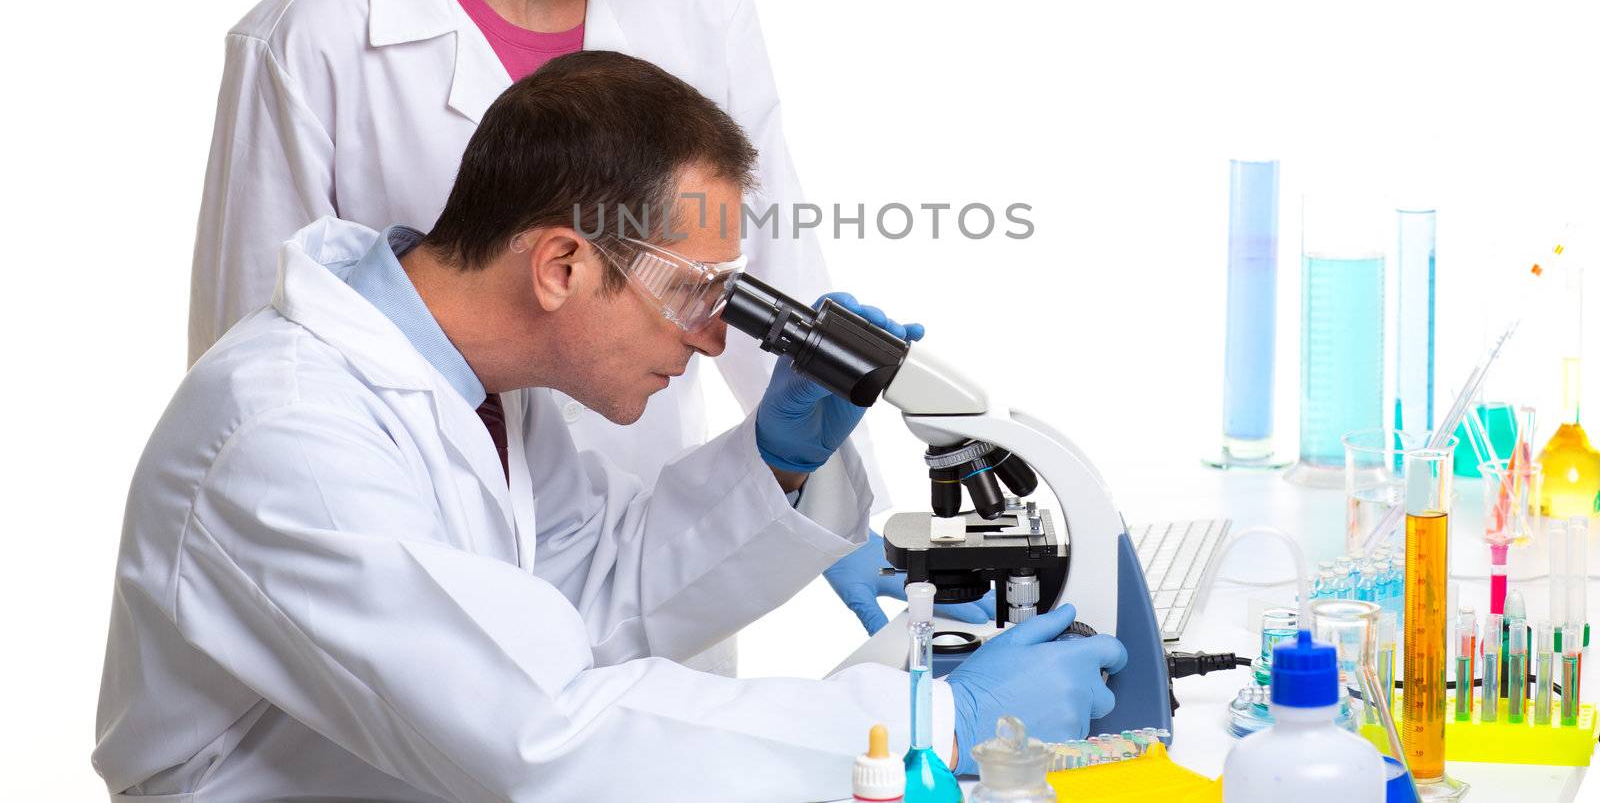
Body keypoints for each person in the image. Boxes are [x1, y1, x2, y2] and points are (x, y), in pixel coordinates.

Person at [184, 0, 962, 646]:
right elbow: (253, 359)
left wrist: (817, 498)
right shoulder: (317, 37)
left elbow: (760, 249)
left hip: (648, 535)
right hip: (412, 549)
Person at [96, 53, 1126, 802]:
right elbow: (543, 733)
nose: (715, 339)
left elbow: (590, 605)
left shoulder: (482, 389)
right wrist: (937, 725)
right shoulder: (288, 437)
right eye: (694, 293)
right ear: (561, 266)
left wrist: (770, 464)